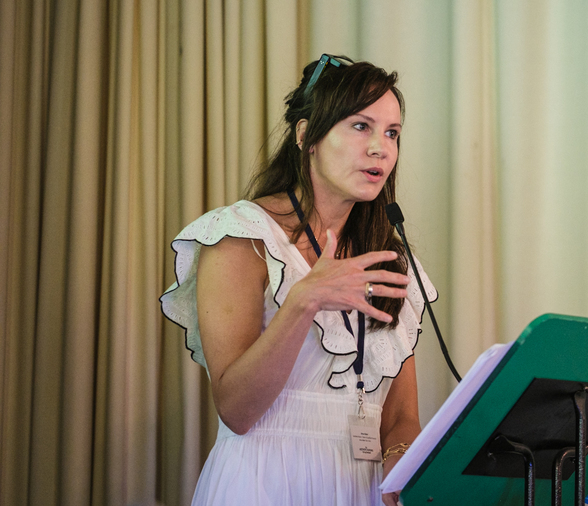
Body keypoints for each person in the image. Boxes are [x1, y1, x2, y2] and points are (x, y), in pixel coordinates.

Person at [160, 55, 435, 506]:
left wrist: (400, 466)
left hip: (362, 489)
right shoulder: (240, 237)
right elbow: (236, 410)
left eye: (392, 133)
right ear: (305, 135)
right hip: (266, 482)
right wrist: (303, 301)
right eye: (361, 126)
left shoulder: (389, 256)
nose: (380, 149)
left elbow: (401, 415)